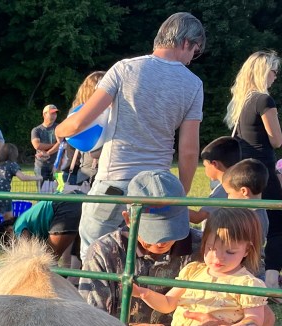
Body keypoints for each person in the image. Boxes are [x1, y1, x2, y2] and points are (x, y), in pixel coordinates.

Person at [58, 12, 205, 254]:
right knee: (142, 256)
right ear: (186, 42)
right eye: (195, 52)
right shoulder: (194, 85)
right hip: (156, 188)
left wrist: (60, 130)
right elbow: (189, 150)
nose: (191, 60)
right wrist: (181, 194)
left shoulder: (124, 69)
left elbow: (79, 123)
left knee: (94, 254)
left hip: (114, 181)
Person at [78, 169, 274, 326]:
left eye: (171, 230)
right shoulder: (104, 252)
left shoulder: (211, 247)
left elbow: (265, 317)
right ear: (129, 219)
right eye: (152, 232)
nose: (162, 241)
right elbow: (89, 322)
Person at [131, 207, 281, 326]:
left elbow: (255, 319)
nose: (217, 257)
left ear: (247, 250)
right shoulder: (194, 271)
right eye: (211, 248)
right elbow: (168, 303)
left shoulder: (247, 284)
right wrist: (144, 294)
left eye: (230, 251)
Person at [226, 51, 282, 289]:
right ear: (263, 72)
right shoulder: (264, 101)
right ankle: (271, 281)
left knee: (243, 222)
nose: (276, 77)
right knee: (278, 225)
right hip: (264, 169)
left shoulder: (241, 101)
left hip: (241, 170)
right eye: (274, 71)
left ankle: (238, 272)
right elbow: (276, 140)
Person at [0, 143, 39, 233]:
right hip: (4, 196)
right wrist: (37, 177)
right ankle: (11, 236)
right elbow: (22, 177)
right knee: (9, 220)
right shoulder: (11, 165)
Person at [189, 136, 241, 224]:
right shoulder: (236, 184)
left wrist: (170, 205)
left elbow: (198, 217)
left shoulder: (224, 189)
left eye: (205, 166)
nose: (205, 169)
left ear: (214, 164)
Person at [221, 159, 270, 242]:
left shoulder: (246, 219)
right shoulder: (260, 212)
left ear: (244, 191)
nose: (227, 198)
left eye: (229, 193)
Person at [31, 105, 60, 186]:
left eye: (55, 113)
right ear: (44, 114)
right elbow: (37, 145)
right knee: (41, 190)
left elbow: (60, 144)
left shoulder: (59, 128)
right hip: (40, 165)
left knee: (56, 190)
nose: (54, 115)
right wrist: (54, 145)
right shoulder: (36, 130)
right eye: (52, 113)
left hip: (56, 165)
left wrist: (47, 153)